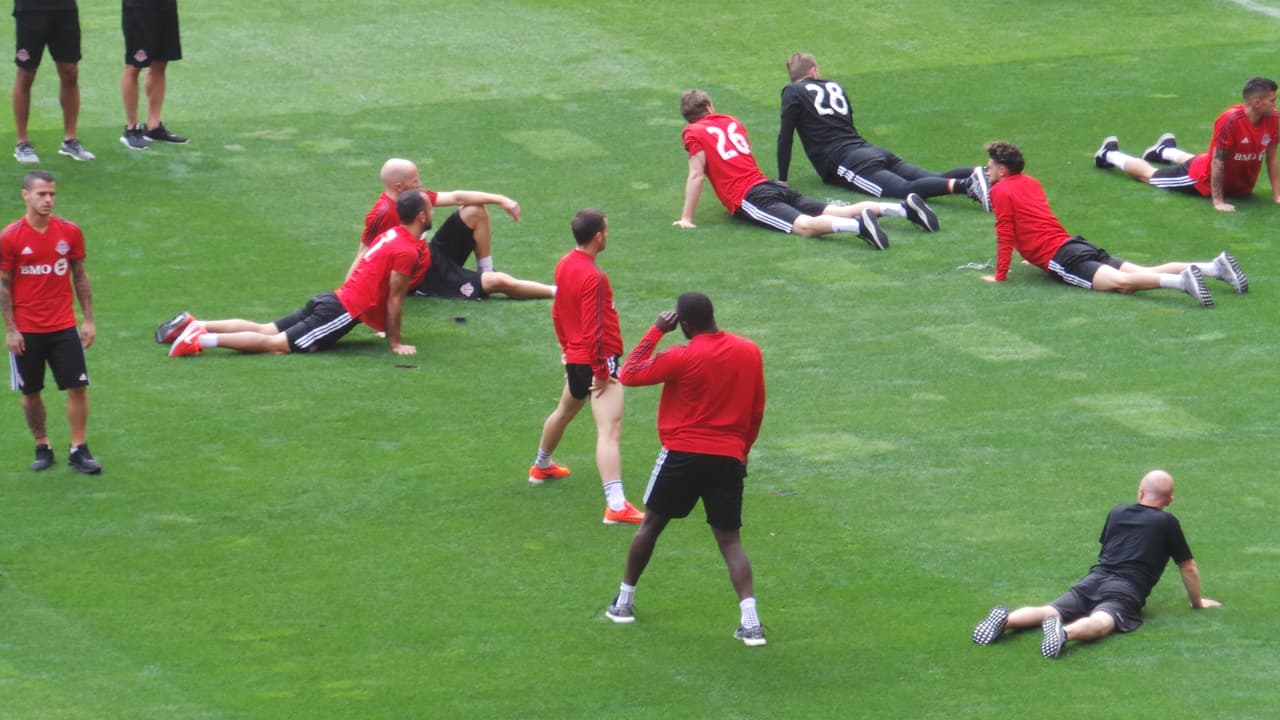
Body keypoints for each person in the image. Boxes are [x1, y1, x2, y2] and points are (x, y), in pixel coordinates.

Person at [604, 292, 767, 647]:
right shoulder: (749, 351)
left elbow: (628, 374)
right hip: (728, 457)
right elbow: (756, 410)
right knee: (730, 541)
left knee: (651, 526)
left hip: (682, 454)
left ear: (685, 324)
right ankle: (751, 622)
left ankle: (624, 602)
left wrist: (655, 332)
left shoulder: (683, 355)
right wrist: (743, 452)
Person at [972, 470, 1221, 659]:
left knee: (1050, 610)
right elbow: (1187, 567)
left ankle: (1005, 622)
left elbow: (1108, 547)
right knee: (1103, 620)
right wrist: (1197, 603)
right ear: (1170, 499)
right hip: (1126, 588)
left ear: (1141, 492)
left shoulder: (1117, 512)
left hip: (1094, 578)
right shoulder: (1167, 523)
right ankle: (1065, 634)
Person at [157, 188, 431, 358]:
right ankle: (199, 338)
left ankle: (195, 323)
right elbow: (394, 298)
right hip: (340, 312)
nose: (432, 210)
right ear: (420, 216)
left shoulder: (393, 234)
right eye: (429, 208)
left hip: (332, 299)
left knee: (265, 328)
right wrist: (396, 343)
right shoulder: (407, 250)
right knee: (274, 344)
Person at [980, 141, 1248, 308]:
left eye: (989, 166)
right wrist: (1031, 256)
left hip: (1062, 257)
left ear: (1002, 170)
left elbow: (1005, 232)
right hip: (1075, 244)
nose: (986, 169)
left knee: (1124, 284)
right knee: (1142, 271)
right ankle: (1213, 267)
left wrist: (1000, 275)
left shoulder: (1000, 191)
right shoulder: (1030, 182)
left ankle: (1181, 283)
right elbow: (1035, 220)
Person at [675, 88, 938, 250]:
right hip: (769, 185)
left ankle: (858, 228)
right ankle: (904, 209)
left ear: (688, 116)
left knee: (804, 227)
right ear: (709, 107)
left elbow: (697, 173)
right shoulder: (730, 120)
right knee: (835, 208)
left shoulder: (693, 132)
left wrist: (686, 218)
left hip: (750, 196)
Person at [528, 209, 643, 525]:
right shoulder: (595, 277)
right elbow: (595, 328)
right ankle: (616, 505)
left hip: (576, 358)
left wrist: (567, 350)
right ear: (598, 236)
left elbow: (557, 312)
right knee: (609, 430)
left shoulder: (565, 263)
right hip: (597, 361)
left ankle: (541, 465)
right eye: (607, 230)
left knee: (563, 412)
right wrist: (602, 372)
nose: (608, 234)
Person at [778, 52, 989, 209]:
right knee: (932, 178)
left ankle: (967, 185)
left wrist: (782, 178)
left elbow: (785, 136)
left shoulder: (792, 92)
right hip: (870, 149)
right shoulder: (834, 85)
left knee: (905, 191)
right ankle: (984, 172)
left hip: (846, 160)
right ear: (813, 70)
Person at [1, 170, 100, 473]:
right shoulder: (10, 238)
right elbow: (3, 284)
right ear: (25, 195)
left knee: (78, 388)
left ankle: (78, 448)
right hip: (27, 331)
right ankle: (42, 444)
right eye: (42, 194)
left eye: (52, 194)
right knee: (31, 393)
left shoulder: (69, 232)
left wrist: (88, 320)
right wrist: (11, 329)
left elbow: (80, 275)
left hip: (63, 327)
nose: (48, 200)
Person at [355, 158, 553, 300]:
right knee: (499, 282)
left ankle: (486, 269)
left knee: (475, 210)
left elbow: (457, 197)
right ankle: (558, 292)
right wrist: (346, 299)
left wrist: (501, 199)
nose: (420, 183)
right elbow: (363, 255)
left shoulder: (415, 197)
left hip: (430, 255)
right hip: (426, 279)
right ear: (399, 187)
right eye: (414, 180)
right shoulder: (381, 215)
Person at [1093, 77, 1279, 212]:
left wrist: (1277, 195)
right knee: (1150, 176)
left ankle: (1165, 150)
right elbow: (1217, 162)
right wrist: (1218, 201)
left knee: (1207, 157)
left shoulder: (1273, 119)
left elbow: (1271, 158)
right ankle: (1109, 154)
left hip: (1237, 184)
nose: (1275, 105)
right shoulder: (1230, 120)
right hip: (1200, 179)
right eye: (1272, 101)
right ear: (1256, 102)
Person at [11, 0, 93, 162]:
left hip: (65, 8)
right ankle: (22, 142)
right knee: (27, 73)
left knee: (70, 71)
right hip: (30, 9)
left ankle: (70, 140)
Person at [119, 0, 188, 149]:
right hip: (138, 7)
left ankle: (153, 127)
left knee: (160, 62)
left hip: (165, 5)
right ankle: (131, 129)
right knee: (134, 65)